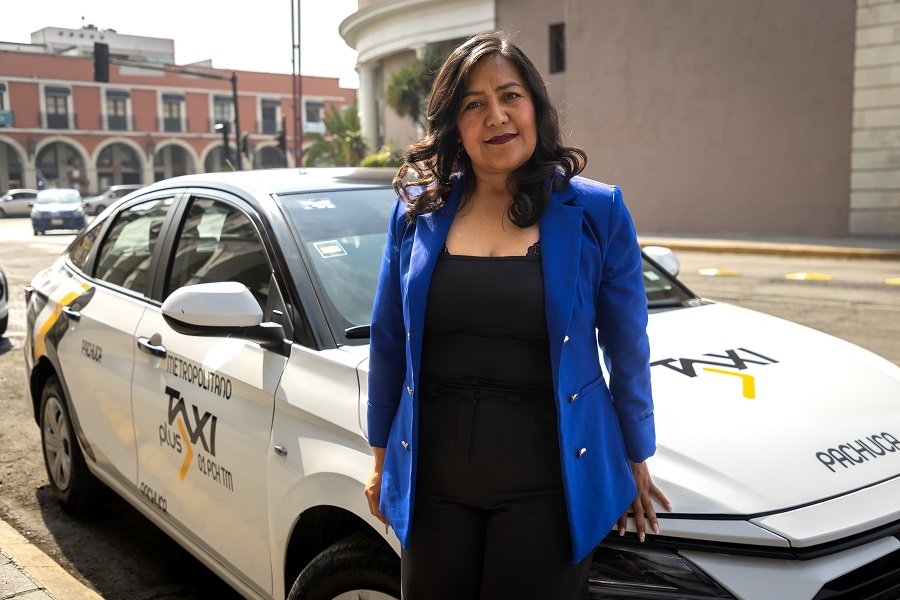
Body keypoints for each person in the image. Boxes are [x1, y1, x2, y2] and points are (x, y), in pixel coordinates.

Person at [365, 31, 671, 599]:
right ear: (454, 124)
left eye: (510, 96)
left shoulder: (597, 210)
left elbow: (627, 346)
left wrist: (635, 454)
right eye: (473, 104)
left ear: (535, 106)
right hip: (433, 484)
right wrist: (381, 459)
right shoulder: (416, 211)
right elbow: (388, 339)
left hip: (548, 485)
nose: (496, 116)